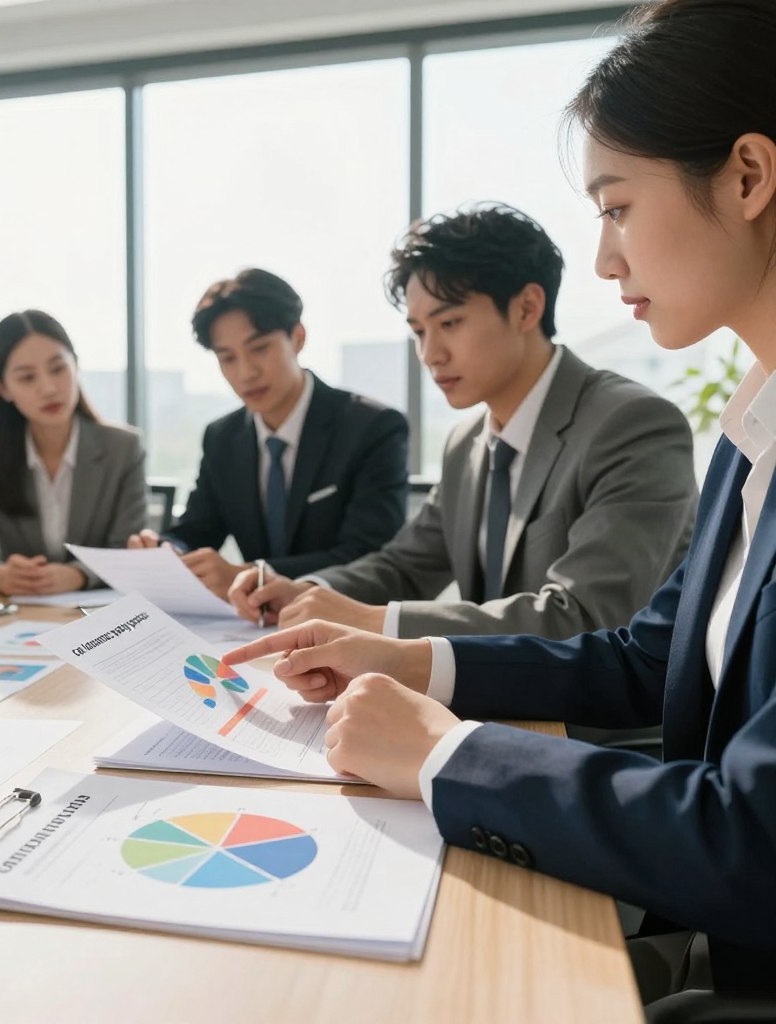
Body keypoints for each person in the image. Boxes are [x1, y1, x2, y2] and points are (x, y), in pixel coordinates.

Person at [224, 0, 776, 1012]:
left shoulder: (645, 422)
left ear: (747, 175)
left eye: (614, 206)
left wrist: (442, 749)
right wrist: (397, 651)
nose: (606, 261)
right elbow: (642, 658)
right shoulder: (751, 441)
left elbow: (752, 836)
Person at [230, 207, 697, 640]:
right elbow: (405, 568)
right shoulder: (466, 443)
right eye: (418, 331)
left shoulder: (631, 425)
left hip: (597, 727)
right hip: (493, 702)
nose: (430, 354)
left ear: (526, 308)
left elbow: (585, 616)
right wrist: (307, 590)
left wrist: (378, 621)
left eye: (449, 323)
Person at [128, 268, 409, 599]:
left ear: (298, 337)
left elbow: (368, 555)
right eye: (227, 358)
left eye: (259, 348)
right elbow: (198, 531)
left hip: (346, 619)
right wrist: (166, 550)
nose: (246, 372)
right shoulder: (223, 437)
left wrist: (252, 574)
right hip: (252, 625)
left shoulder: (371, 427)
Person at [0, 310, 148, 595]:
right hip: (22, 616)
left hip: (99, 618)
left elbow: (129, 553)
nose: (49, 388)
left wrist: (76, 575)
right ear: (3, 388)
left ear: (76, 366)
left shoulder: (123, 448)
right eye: (27, 378)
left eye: (58, 368)